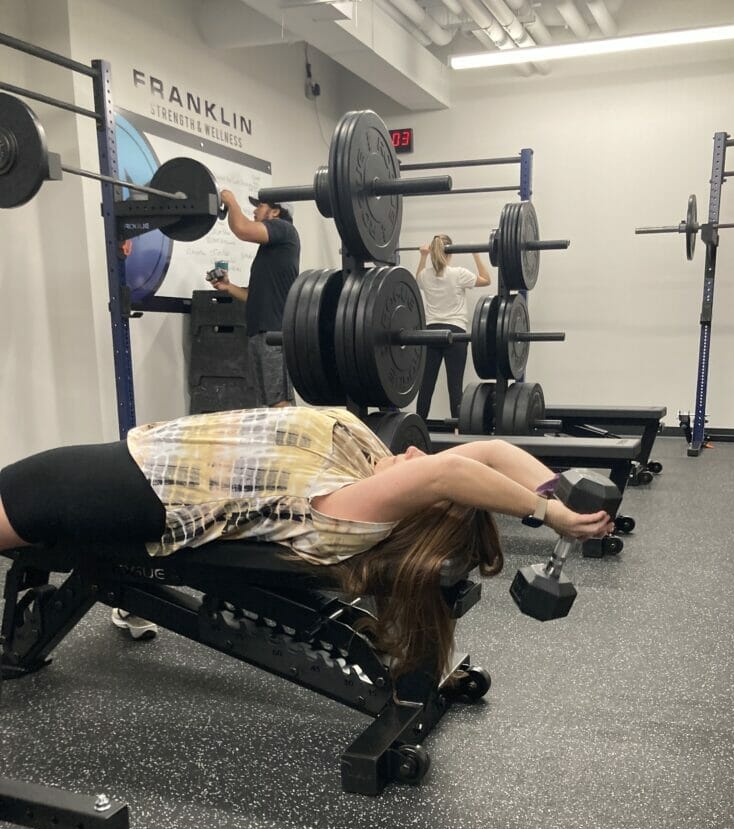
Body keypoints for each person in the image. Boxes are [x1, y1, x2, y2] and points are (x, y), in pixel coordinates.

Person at [0, 407, 612, 680]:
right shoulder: (375, 466)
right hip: (138, 456)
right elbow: (483, 456)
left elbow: (446, 474)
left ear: (414, 503)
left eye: (416, 472)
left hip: (132, 490)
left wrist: (542, 513)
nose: (418, 449)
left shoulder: (349, 512)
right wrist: (561, 491)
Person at [211, 191, 300, 408]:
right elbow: (254, 296)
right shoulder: (270, 249)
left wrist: (231, 201)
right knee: (268, 404)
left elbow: (241, 229)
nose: (254, 210)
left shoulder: (283, 229)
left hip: (274, 335)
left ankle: (290, 443)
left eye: (260, 206)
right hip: (260, 334)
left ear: (276, 211)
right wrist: (229, 287)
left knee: (279, 402)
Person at [414, 235, 490, 421]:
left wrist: (423, 256)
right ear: (451, 253)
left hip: (430, 334)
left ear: (433, 252)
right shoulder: (458, 274)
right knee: (455, 386)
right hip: (455, 334)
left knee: (426, 385)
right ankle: (457, 431)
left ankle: (416, 429)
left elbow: (417, 280)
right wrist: (475, 254)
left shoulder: (425, 276)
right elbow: (486, 279)